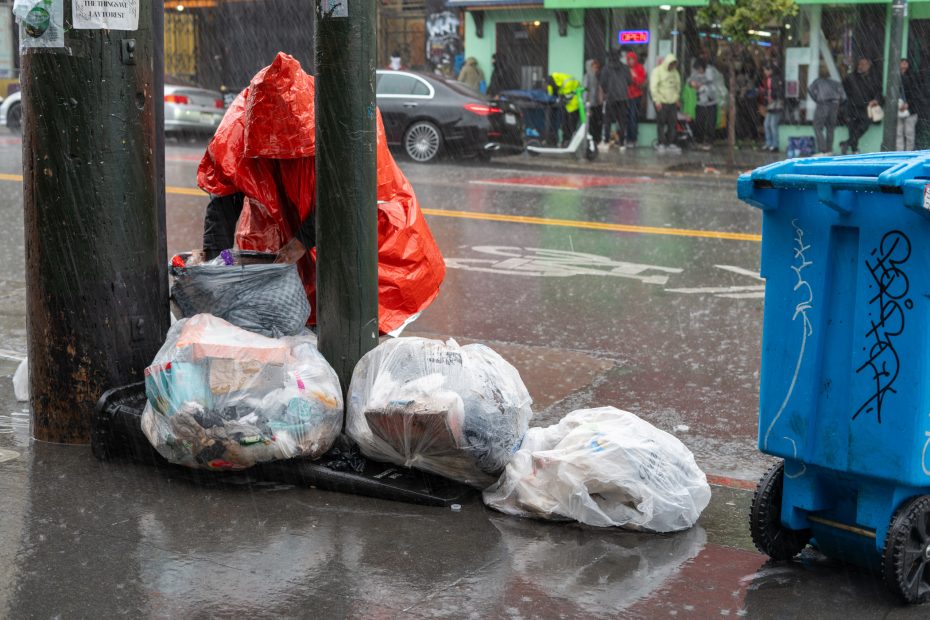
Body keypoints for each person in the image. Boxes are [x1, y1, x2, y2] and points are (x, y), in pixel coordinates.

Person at [841, 57, 883, 154]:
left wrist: (876, 100)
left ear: (869, 66)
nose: (861, 66)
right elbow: (845, 91)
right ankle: (854, 150)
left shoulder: (874, 78)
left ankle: (847, 143)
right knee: (852, 129)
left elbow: (878, 92)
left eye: (864, 64)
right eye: (860, 64)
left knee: (863, 127)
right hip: (852, 107)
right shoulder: (851, 77)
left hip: (866, 108)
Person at [599, 50, 633, 151]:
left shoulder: (606, 68)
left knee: (607, 121)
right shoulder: (625, 68)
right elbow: (629, 81)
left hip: (611, 97)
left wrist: (607, 91)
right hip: (623, 97)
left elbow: (603, 83)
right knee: (622, 121)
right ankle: (622, 142)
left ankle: (606, 141)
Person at [809, 65, 846, 156]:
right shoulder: (836, 83)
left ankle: (822, 150)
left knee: (817, 126)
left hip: (822, 103)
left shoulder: (817, 82)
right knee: (830, 128)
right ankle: (829, 149)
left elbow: (810, 90)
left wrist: (816, 99)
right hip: (834, 105)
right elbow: (844, 97)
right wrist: (837, 104)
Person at [649, 53, 682, 154]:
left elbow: (678, 86)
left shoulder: (675, 72)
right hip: (661, 102)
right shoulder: (657, 71)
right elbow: (653, 87)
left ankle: (671, 143)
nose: (672, 66)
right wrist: (657, 101)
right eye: (671, 64)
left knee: (673, 123)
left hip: (672, 102)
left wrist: (676, 98)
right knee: (661, 123)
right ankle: (661, 143)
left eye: (674, 64)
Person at [688, 59, 718, 151]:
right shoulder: (695, 72)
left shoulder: (710, 71)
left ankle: (709, 141)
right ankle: (699, 140)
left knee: (710, 123)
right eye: (697, 70)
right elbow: (689, 81)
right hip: (700, 102)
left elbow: (709, 82)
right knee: (699, 122)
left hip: (711, 101)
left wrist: (700, 85)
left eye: (699, 69)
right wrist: (691, 84)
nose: (698, 72)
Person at [547, 72, 582, 146]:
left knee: (570, 124)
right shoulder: (552, 81)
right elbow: (550, 94)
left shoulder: (567, 82)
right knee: (565, 124)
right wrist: (552, 99)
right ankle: (565, 141)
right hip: (567, 105)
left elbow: (567, 98)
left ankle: (569, 141)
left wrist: (559, 100)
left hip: (574, 104)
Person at [897, 58, 923, 151]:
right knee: (898, 133)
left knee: (909, 133)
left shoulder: (912, 77)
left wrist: (909, 104)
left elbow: (916, 93)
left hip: (911, 110)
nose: (903, 65)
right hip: (898, 108)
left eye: (905, 63)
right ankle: (899, 154)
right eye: (901, 63)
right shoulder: (895, 77)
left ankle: (909, 154)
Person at [760, 64, 784, 152]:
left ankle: (775, 145)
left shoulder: (775, 79)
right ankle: (769, 143)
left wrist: (772, 97)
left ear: (770, 70)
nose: (764, 72)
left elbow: (778, 91)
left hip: (776, 104)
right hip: (771, 105)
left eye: (765, 70)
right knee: (767, 124)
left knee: (773, 125)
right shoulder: (768, 79)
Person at [625, 51, 646, 147]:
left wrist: (633, 77)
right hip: (625, 97)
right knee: (626, 118)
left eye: (632, 59)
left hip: (636, 96)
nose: (630, 61)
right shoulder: (624, 69)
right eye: (629, 59)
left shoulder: (640, 68)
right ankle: (626, 138)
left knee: (633, 118)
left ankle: (633, 139)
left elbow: (641, 83)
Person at [583, 59, 604, 150]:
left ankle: (595, 140)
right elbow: (585, 91)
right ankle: (590, 141)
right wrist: (586, 104)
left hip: (597, 105)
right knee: (590, 123)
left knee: (596, 123)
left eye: (597, 68)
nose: (596, 69)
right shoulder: (587, 77)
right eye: (594, 67)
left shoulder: (597, 77)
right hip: (590, 105)